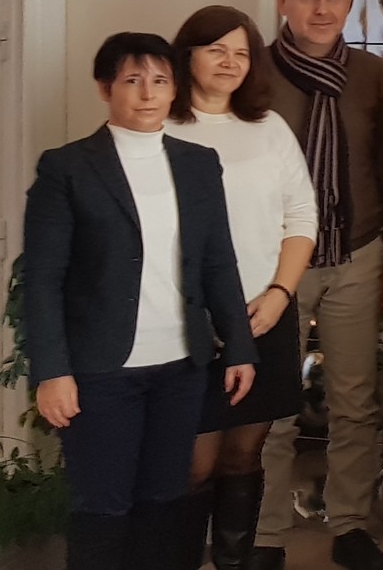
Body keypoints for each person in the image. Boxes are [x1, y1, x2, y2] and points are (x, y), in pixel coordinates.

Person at [23, 33, 257, 570]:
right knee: (102, 508)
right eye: (132, 80)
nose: (148, 94)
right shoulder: (67, 168)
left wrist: (239, 346)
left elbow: (219, 262)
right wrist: (52, 371)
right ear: (105, 88)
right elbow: (43, 278)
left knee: (165, 504)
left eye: (159, 80)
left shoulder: (199, 163)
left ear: (175, 89)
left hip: (180, 367)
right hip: (101, 370)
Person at [254, 0, 383, 570]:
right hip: (274, 264)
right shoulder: (254, 72)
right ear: (283, 3)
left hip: (356, 252)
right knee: (272, 406)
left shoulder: (372, 75)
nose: (321, 9)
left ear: (350, 2)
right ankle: (265, 534)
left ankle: (349, 526)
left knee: (356, 400)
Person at [162, 7, 317, 570]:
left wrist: (279, 294)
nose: (229, 62)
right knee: (193, 464)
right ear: (188, 56)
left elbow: (301, 217)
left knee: (243, 456)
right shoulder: (161, 127)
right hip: (187, 322)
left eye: (241, 53)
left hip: (263, 314)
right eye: (216, 50)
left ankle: (233, 562)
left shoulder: (268, 127)